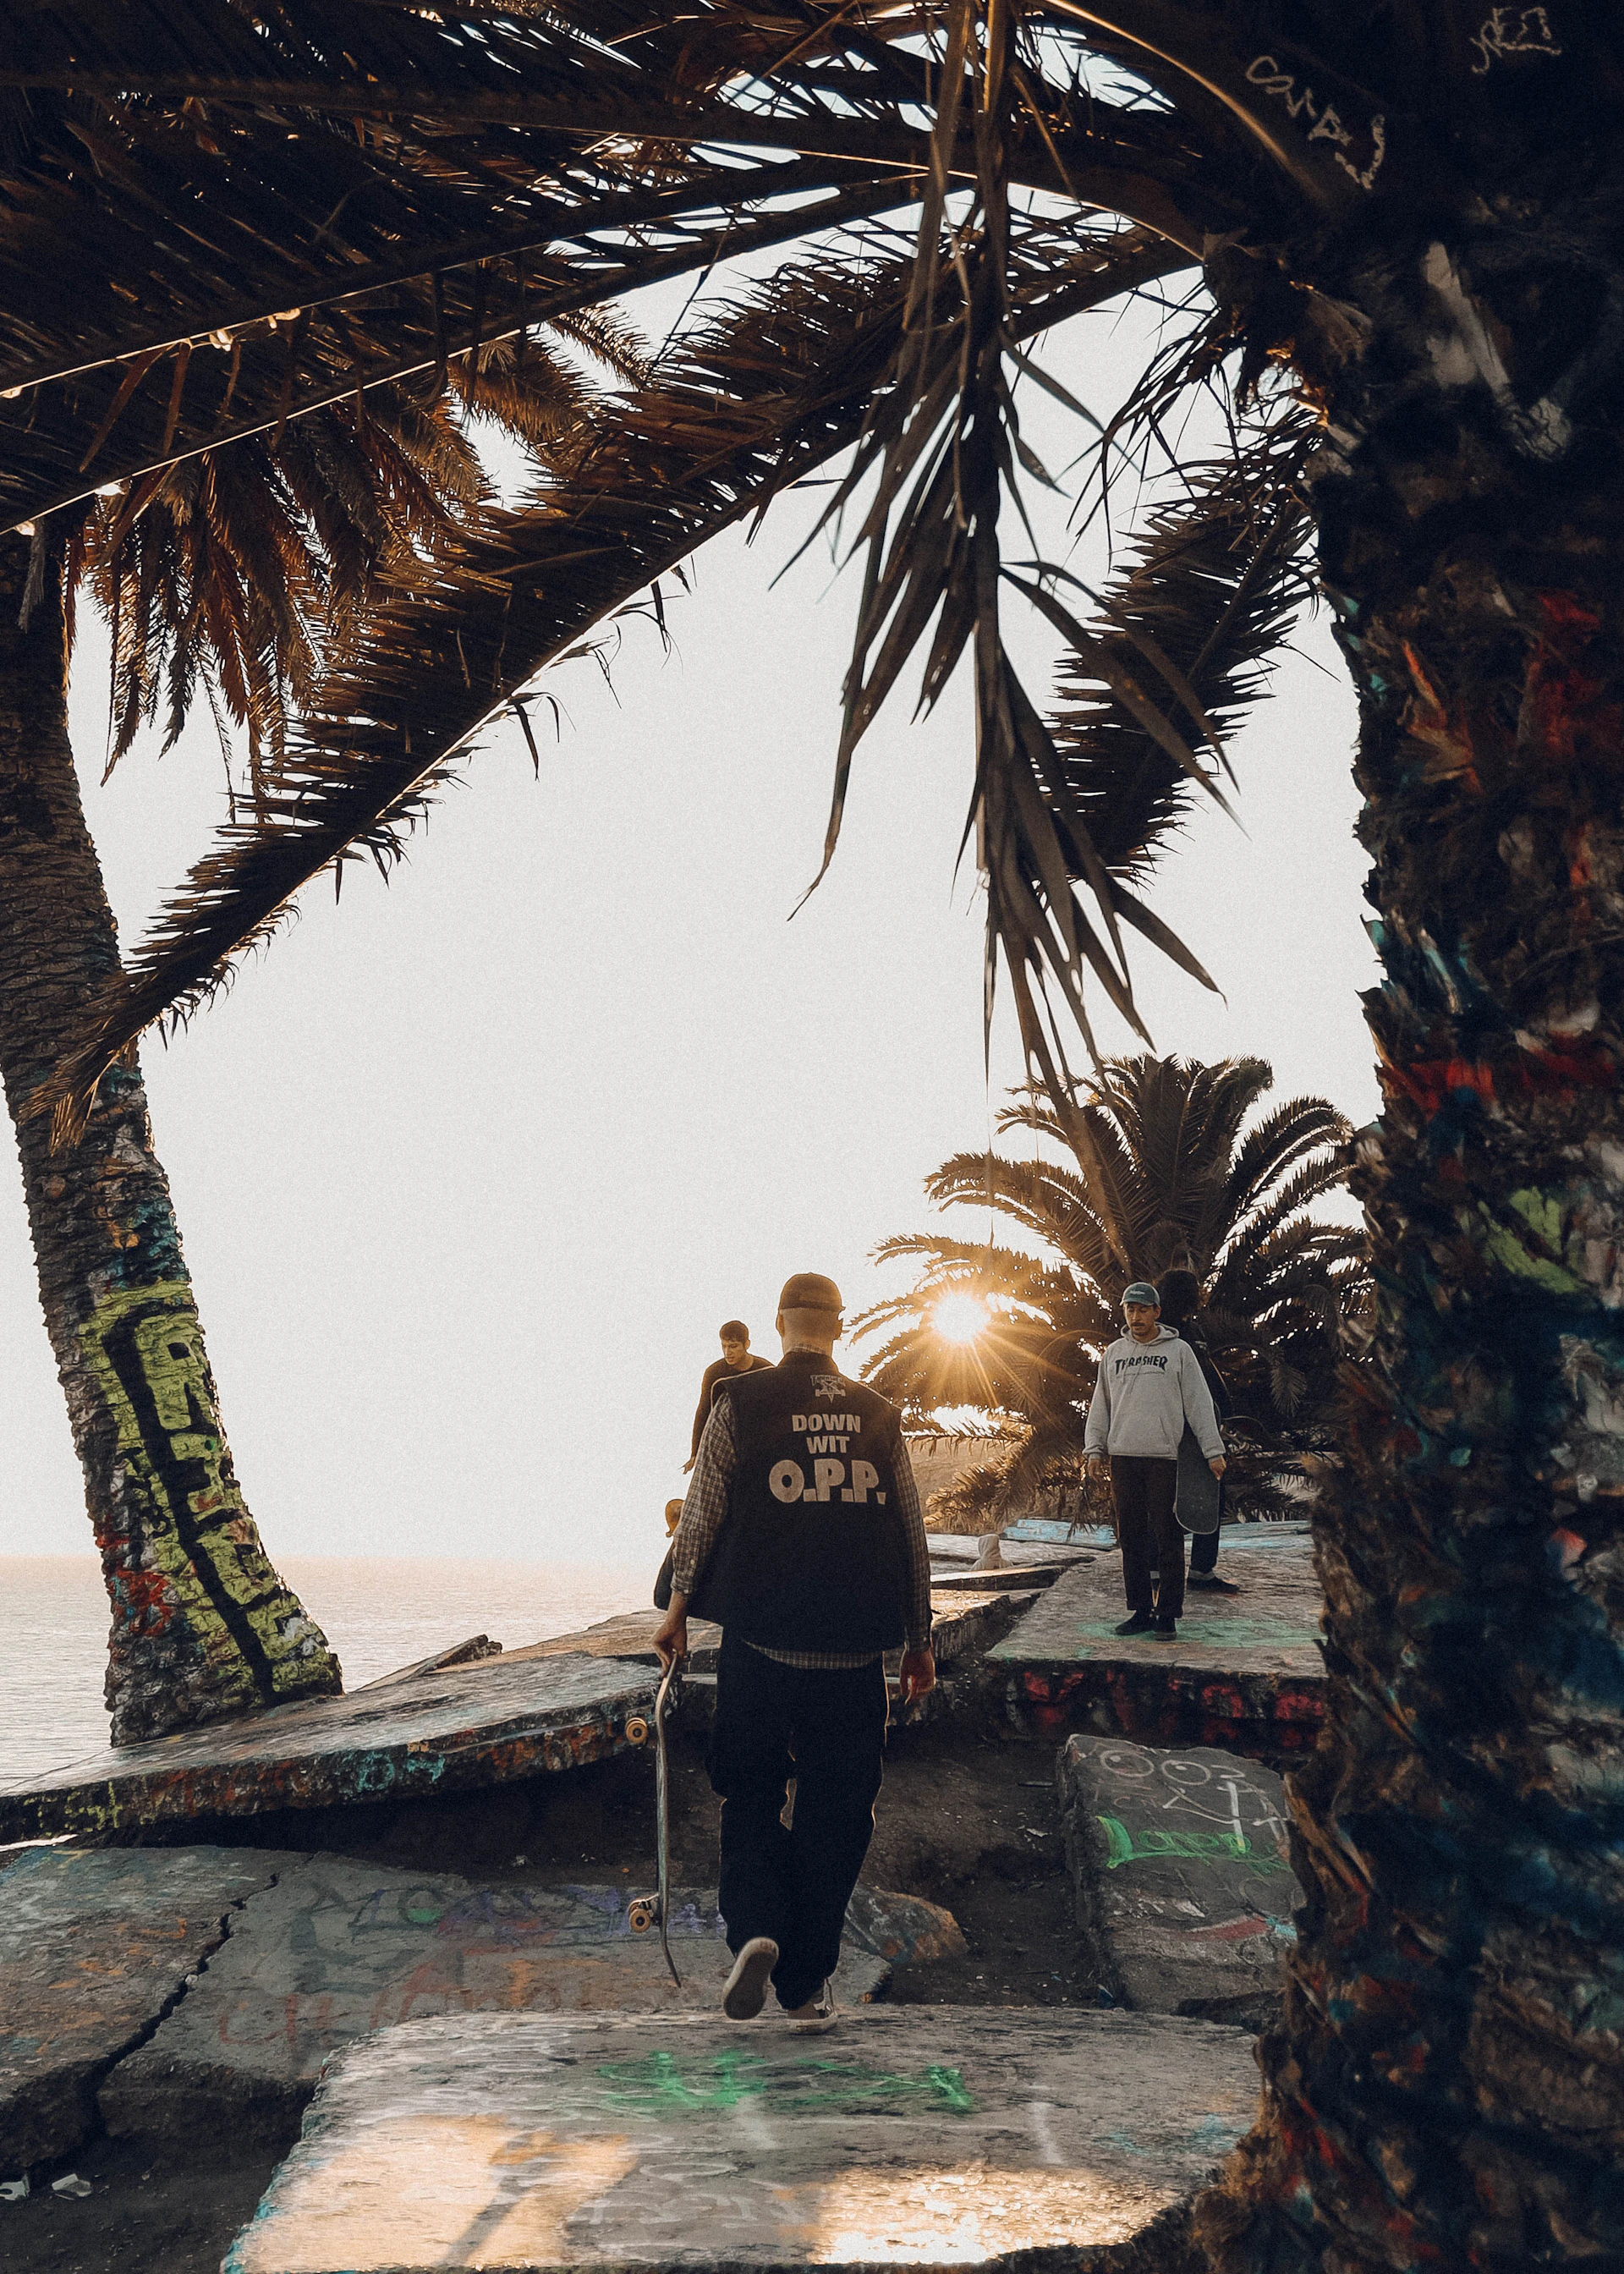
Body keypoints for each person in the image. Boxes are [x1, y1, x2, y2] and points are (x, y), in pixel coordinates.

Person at [654, 1271, 935, 2034]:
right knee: (838, 1816)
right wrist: (920, 1641)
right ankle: (805, 1982)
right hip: (852, 1658)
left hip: (760, 1645)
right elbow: (910, 1533)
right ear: (839, 1330)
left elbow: (704, 1515)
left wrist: (676, 1614)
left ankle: (756, 1933)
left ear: (780, 1326)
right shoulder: (879, 1413)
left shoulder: (738, 1402)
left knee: (748, 1795)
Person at [1084, 1282, 1225, 1640]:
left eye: (1143, 1309)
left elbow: (1198, 1402)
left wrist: (1213, 1451)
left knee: (1168, 1536)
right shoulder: (1114, 1354)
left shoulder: (1179, 1352)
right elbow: (1101, 1404)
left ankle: (1168, 1615)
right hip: (1123, 1457)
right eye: (1130, 1309)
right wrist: (1094, 1449)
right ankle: (1141, 1611)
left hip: (1165, 1458)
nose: (1136, 1316)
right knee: (1130, 1537)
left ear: (1157, 1312)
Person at [1157, 1268, 1242, 1594]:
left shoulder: (1192, 1329)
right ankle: (1188, 1570)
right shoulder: (1166, 1333)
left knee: (1205, 1496)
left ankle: (1197, 1571)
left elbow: (1208, 1375)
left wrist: (1224, 1406)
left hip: (1202, 1422)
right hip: (1181, 1428)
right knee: (1189, 1496)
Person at [684, 1320, 772, 1471]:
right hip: (723, 1443)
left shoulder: (766, 1369)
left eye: (733, 1346)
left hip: (758, 1445)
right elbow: (703, 1411)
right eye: (723, 1346)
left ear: (747, 1344)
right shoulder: (714, 1373)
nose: (727, 1352)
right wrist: (695, 1453)